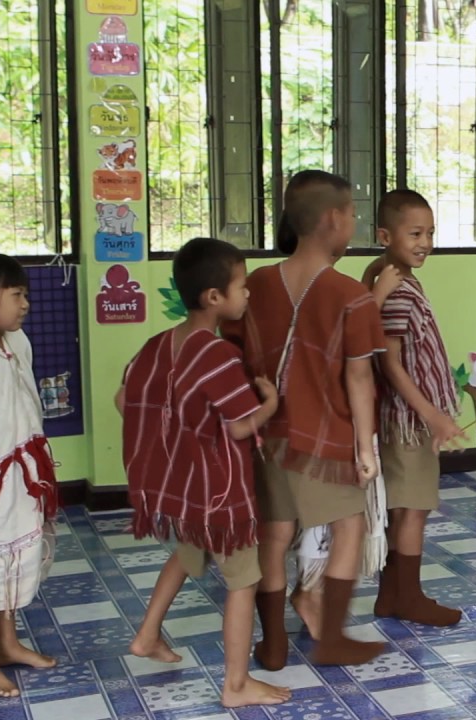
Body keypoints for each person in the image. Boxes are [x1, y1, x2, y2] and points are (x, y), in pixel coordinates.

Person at [221, 170, 387, 668]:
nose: (353, 222)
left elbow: (232, 357)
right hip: (325, 438)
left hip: (266, 434)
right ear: (333, 219)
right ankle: (331, 636)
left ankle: (271, 645)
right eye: (353, 213)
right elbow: (359, 380)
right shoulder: (350, 296)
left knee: (274, 535)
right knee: (350, 527)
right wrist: (364, 449)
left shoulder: (255, 284)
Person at [117, 238, 291, 708]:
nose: (249, 294)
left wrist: (177, 439)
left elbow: (123, 401)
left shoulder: (156, 346)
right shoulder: (216, 355)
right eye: (242, 286)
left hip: (183, 492)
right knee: (243, 580)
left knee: (187, 554)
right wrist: (270, 404)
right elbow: (238, 426)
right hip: (219, 495)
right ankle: (236, 685)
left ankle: (148, 634)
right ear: (214, 297)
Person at [364, 190, 468, 626]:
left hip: (406, 418)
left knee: (407, 507)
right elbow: (388, 360)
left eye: (430, 233)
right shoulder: (395, 288)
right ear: (385, 235)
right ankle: (407, 596)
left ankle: (393, 595)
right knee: (412, 509)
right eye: (415, 233)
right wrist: (432, 414)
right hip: (407, 421)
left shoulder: (391, 277)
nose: (425, 242)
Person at [0, 253, 59, 698]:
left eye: (25, 294)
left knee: (9, 565)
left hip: (18, 479)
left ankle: (7, 645)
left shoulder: (16, 342)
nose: (26, 304)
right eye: (17, 294)